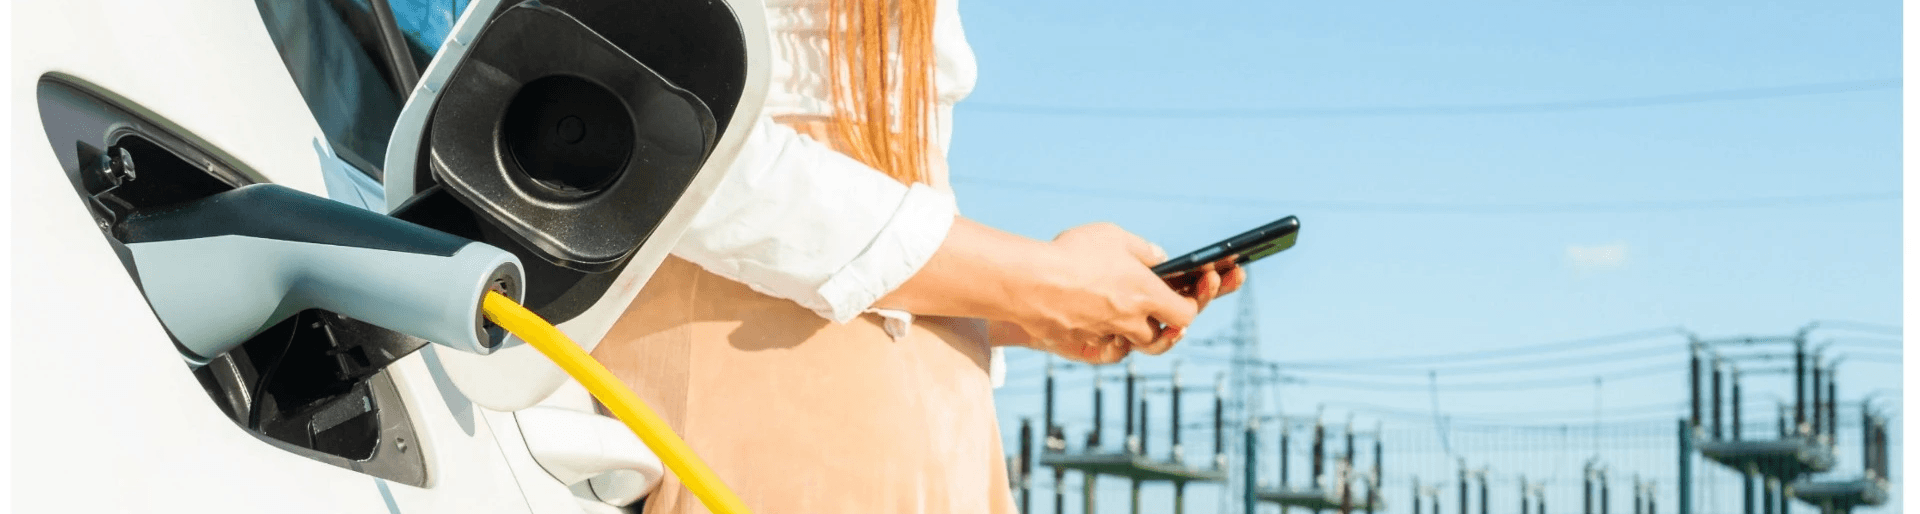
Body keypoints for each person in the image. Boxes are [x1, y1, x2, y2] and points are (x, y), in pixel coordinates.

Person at [590, 0, 1247, 511]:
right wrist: (1042, 282)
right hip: (775, 444)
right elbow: (663, 144)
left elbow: (869, 259)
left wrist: (1028, 310)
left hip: (937, 447)